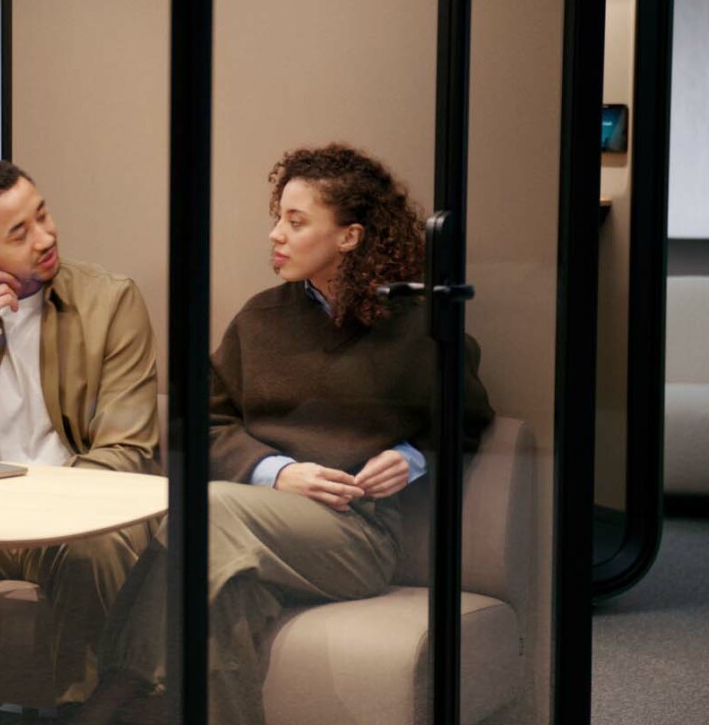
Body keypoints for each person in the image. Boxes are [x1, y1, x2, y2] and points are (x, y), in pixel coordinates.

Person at [76, 144, 494, 725]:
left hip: (357, 535)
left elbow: (466, 423)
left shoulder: (419, 322)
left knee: (208, 508)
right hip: (250, 526)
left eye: (295, 222)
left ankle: (110, 695)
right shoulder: (259, 317)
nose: (276, 234)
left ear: (349, 237)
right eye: (278, 217)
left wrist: (411, 458)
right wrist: (278, 472)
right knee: (225, 607)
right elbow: (199, 422)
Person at [0, 158, 160, 708]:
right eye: (18, 233)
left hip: (77, 522)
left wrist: (28, 519)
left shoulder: (109, 300)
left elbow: (126, 452)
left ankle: (87, 714)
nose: (44, 238)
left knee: (95, 550)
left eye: (43, 215)